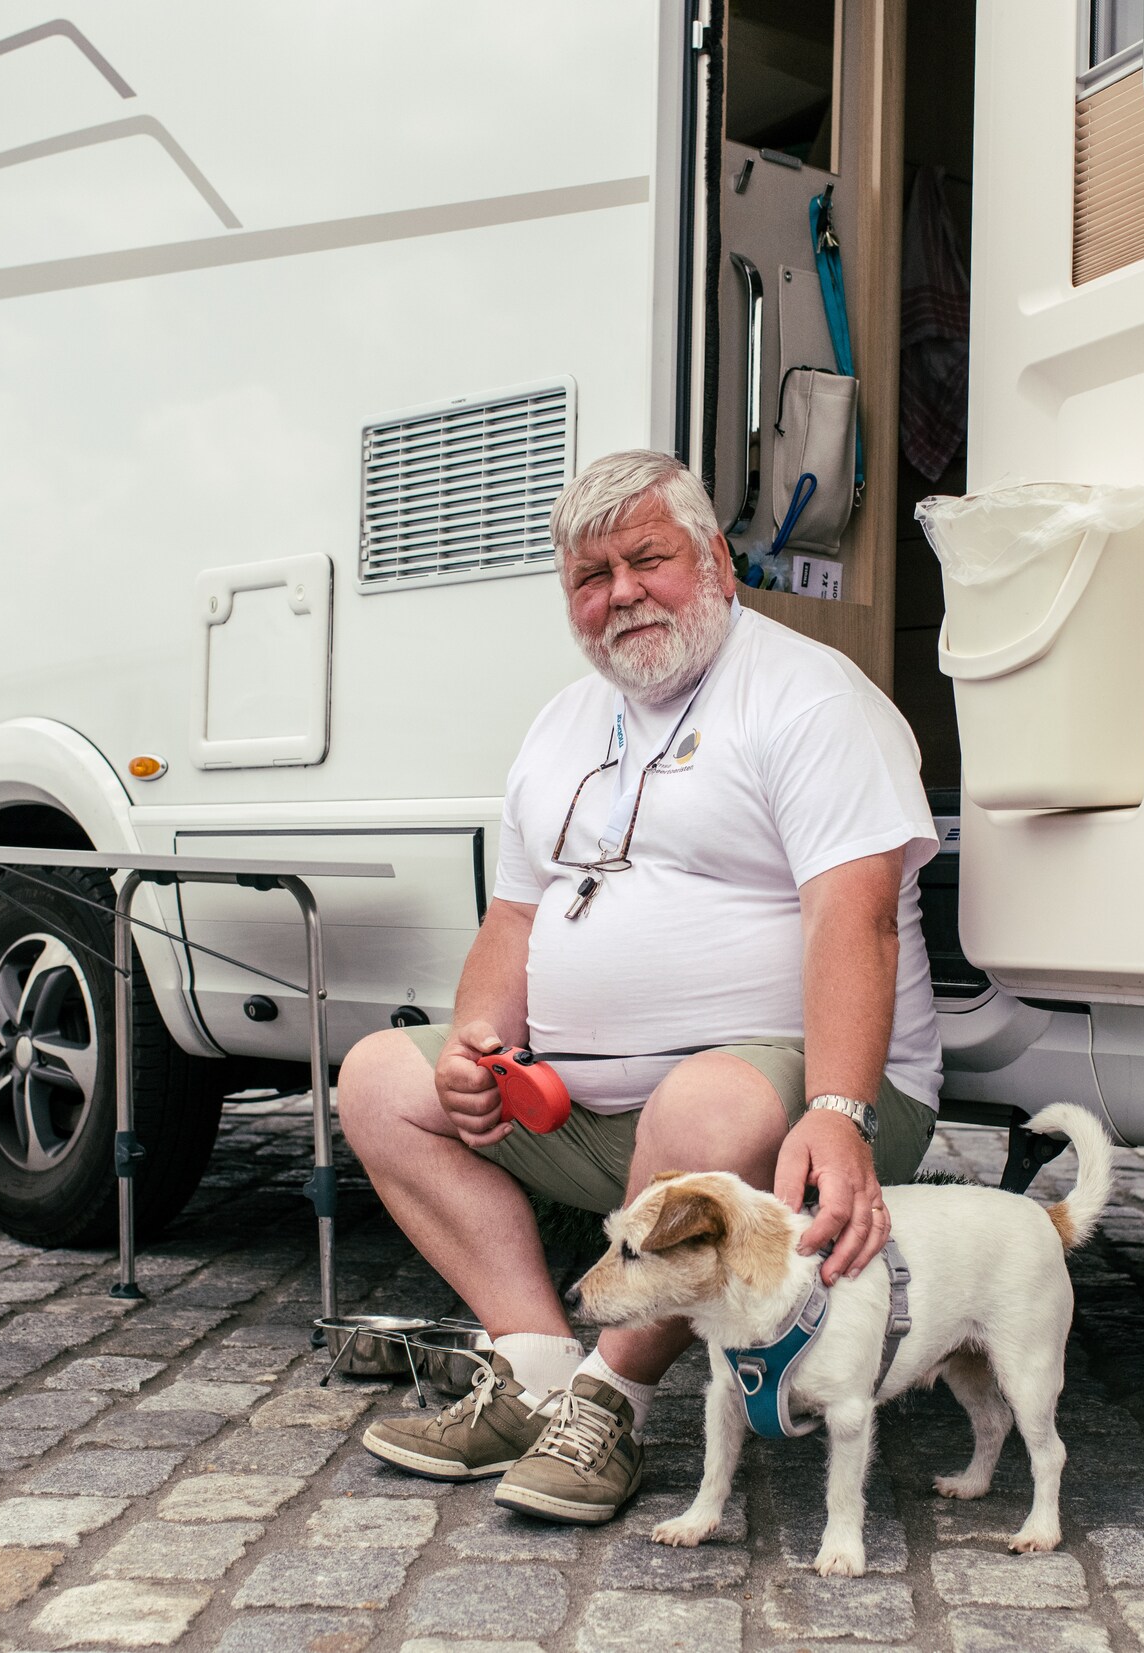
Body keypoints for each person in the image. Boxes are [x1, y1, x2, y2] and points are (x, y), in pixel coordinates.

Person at [336, 449, 943, 1524]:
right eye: (588, 576)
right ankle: (531, 1371)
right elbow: (515, 917)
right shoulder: (561, 722)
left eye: (646, 559)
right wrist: (479, 1039)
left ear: (713, 560)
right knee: (382, 1078)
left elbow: (852, 919)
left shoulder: (808, 696)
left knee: (704, 1100)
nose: (618, 594)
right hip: (588, 1107)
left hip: (799, 1110)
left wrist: (842, 1110)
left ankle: (608, 1402)